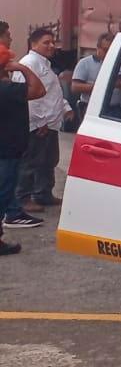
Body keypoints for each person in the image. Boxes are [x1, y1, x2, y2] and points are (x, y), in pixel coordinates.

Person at [16, 27, 73, 213]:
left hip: (50, 122)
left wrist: (65, 108)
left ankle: (43, 193)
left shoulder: (45, 64)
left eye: (52, 42)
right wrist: (38, 121)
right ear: (33, 44)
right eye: (46, 42)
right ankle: (23, 197)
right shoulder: (29, 64)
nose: (51, 46)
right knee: (31, 161)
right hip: (37, 123)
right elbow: (25, 96)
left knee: (49, 160)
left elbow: (52, 93)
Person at [0, 35, 48, 249]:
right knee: (3, 194)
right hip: (6, 151)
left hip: (6, 149)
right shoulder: (7, 90)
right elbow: (39, 90)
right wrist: (23, 69)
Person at [72, 33, 121, 121]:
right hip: (91, 107)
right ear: (98, 48)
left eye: (112, 50)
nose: (108, 53)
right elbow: (75, 87)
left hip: (115, 109)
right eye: (105, 50)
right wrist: (103, 86)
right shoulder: (85, 63)